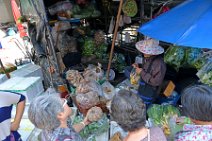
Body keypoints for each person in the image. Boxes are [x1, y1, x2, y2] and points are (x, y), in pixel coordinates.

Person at [28, 94, 94, 141]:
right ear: (60, 115)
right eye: (64, 102)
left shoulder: (52, 126)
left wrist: (84, 123)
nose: (66, 102)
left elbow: (70, 130)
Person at [124, 38, 166, 105]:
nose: (144, 53)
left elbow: (156, 82)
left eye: (146, 51)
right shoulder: (147, 58)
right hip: (142, 89)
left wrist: (141, 72)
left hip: (150, 93)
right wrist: (138, 66)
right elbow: (147, 68)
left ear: (153, 52)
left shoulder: (160, 64)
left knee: (144, 108)